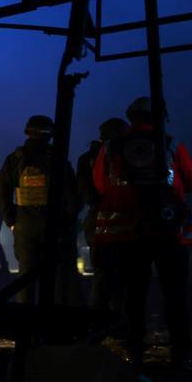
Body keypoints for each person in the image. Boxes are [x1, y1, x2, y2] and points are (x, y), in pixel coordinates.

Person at [92, 97, 192, 368]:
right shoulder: (170, 144)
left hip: (128, 236)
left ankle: (135, 353)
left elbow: (100, 186)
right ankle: (181, 352)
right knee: (175, 294)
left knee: (134, 295)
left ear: (131, 117)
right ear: (160, 116)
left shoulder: (110, 148)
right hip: (168, 234)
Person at [0, 115, 81, 303]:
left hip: (25, 226)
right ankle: (55, 323)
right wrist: (67, 221)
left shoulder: (14, 159)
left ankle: (25, 325)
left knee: (26, 276)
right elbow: (72, 195)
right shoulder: (57, 158)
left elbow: (2, 194)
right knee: (59, 275)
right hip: (55, 225)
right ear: (49, 134)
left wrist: (12, 221)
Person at [77, 118, 128, 322]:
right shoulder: (128, 155)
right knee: (123, 274)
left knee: (101, 272)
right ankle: (120, 320)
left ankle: (97, 321)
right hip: (124, 221)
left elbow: (86, 193)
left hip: (97, 221)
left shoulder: (87, 158)